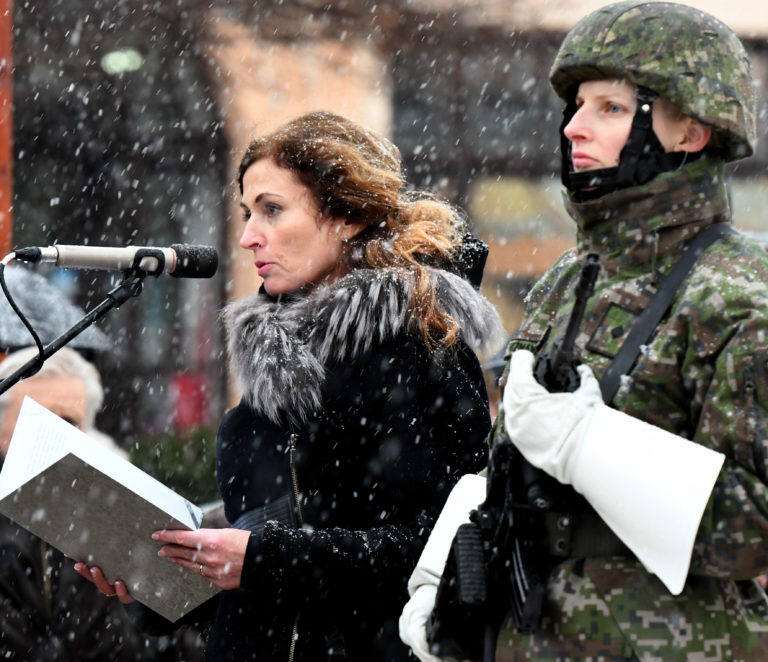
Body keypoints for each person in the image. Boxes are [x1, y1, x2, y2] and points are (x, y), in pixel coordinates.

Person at [400, 2, 768, 661]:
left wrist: (593, 445)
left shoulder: (741, 292)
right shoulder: (572, 277)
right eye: (576, 105)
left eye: (610, 108)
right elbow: (514, 457)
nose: (574, 127)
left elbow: (756, 526)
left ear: (689, 131)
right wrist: (446, 570)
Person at [76, 110, 505, 661]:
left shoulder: (419, 350)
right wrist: (161, 580)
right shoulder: (277, 366)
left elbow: (448, 546)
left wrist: (262, 559)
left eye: (273, 211)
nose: (250, 237)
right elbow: (263, 575)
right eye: (247, 214)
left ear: (346, 216)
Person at [0, 346, 205, 661]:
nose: (54, 434)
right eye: (36, 418)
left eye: (69, 421)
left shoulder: (124, 506)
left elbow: (169, 633)